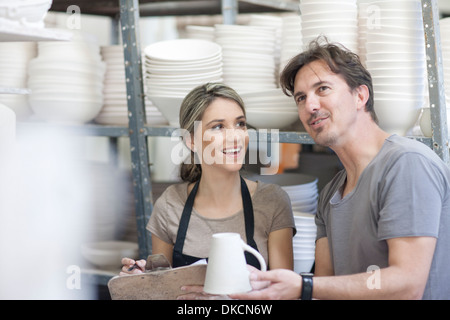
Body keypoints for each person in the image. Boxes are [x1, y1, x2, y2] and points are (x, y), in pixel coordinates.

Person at [231, 38, 450, 300]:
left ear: (360, 96)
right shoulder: (330, 194)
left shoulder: (407, 165)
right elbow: (328, 288)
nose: (310, 106)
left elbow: (407, 284)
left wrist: (304, 286)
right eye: (301, 98)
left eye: (322, 89)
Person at [120, 82, 296, 277]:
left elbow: (284, 292)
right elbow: (161, 288)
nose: (235, 136)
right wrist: (142, 281)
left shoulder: (272, 201)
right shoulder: (170, 205)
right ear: (191, 140)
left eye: (240, 124)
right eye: (218, 127)